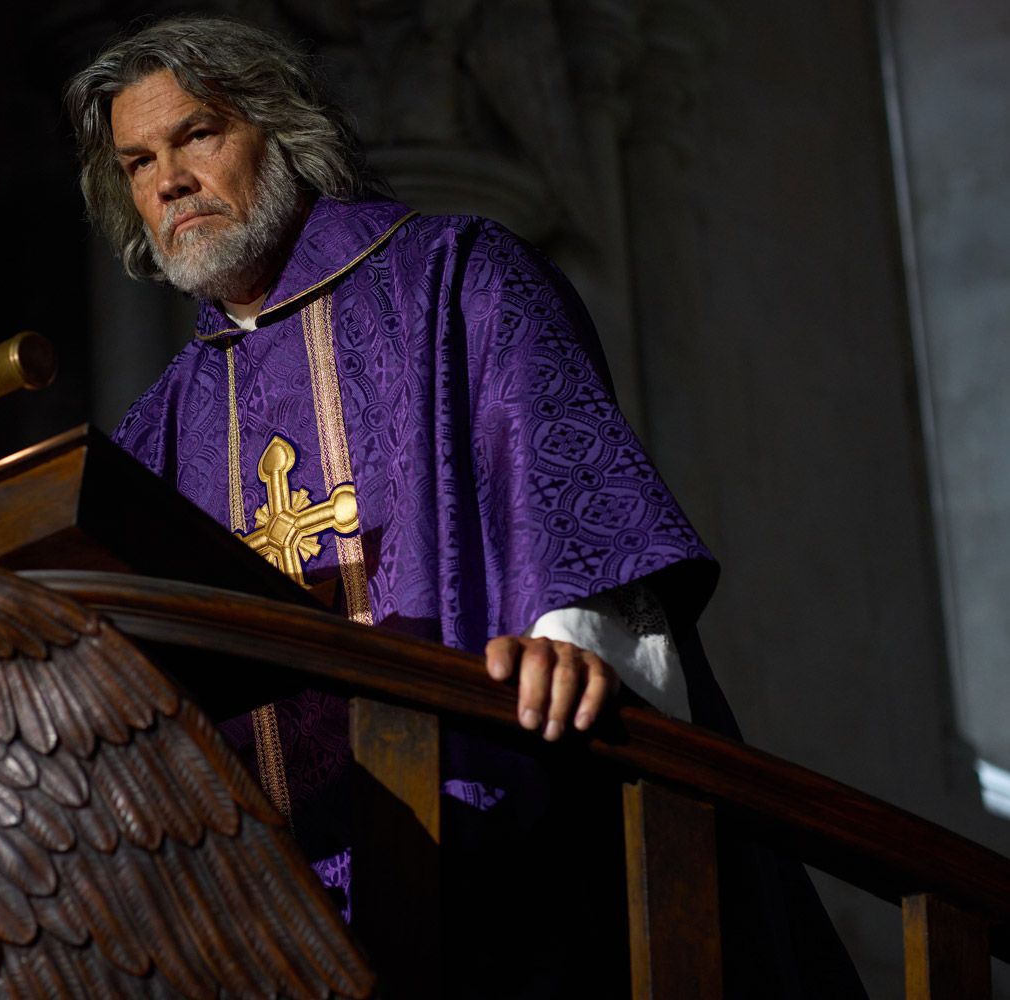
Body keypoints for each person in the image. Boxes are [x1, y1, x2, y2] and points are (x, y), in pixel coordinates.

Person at [65, 16, 862, 997]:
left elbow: (569, 484)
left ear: (281, 131)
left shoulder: (454, 275)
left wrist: (575, 643)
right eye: (138, 162)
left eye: (197, 135)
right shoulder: (157, 432)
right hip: (268, 910)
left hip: (495, 843)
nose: (169, 182)